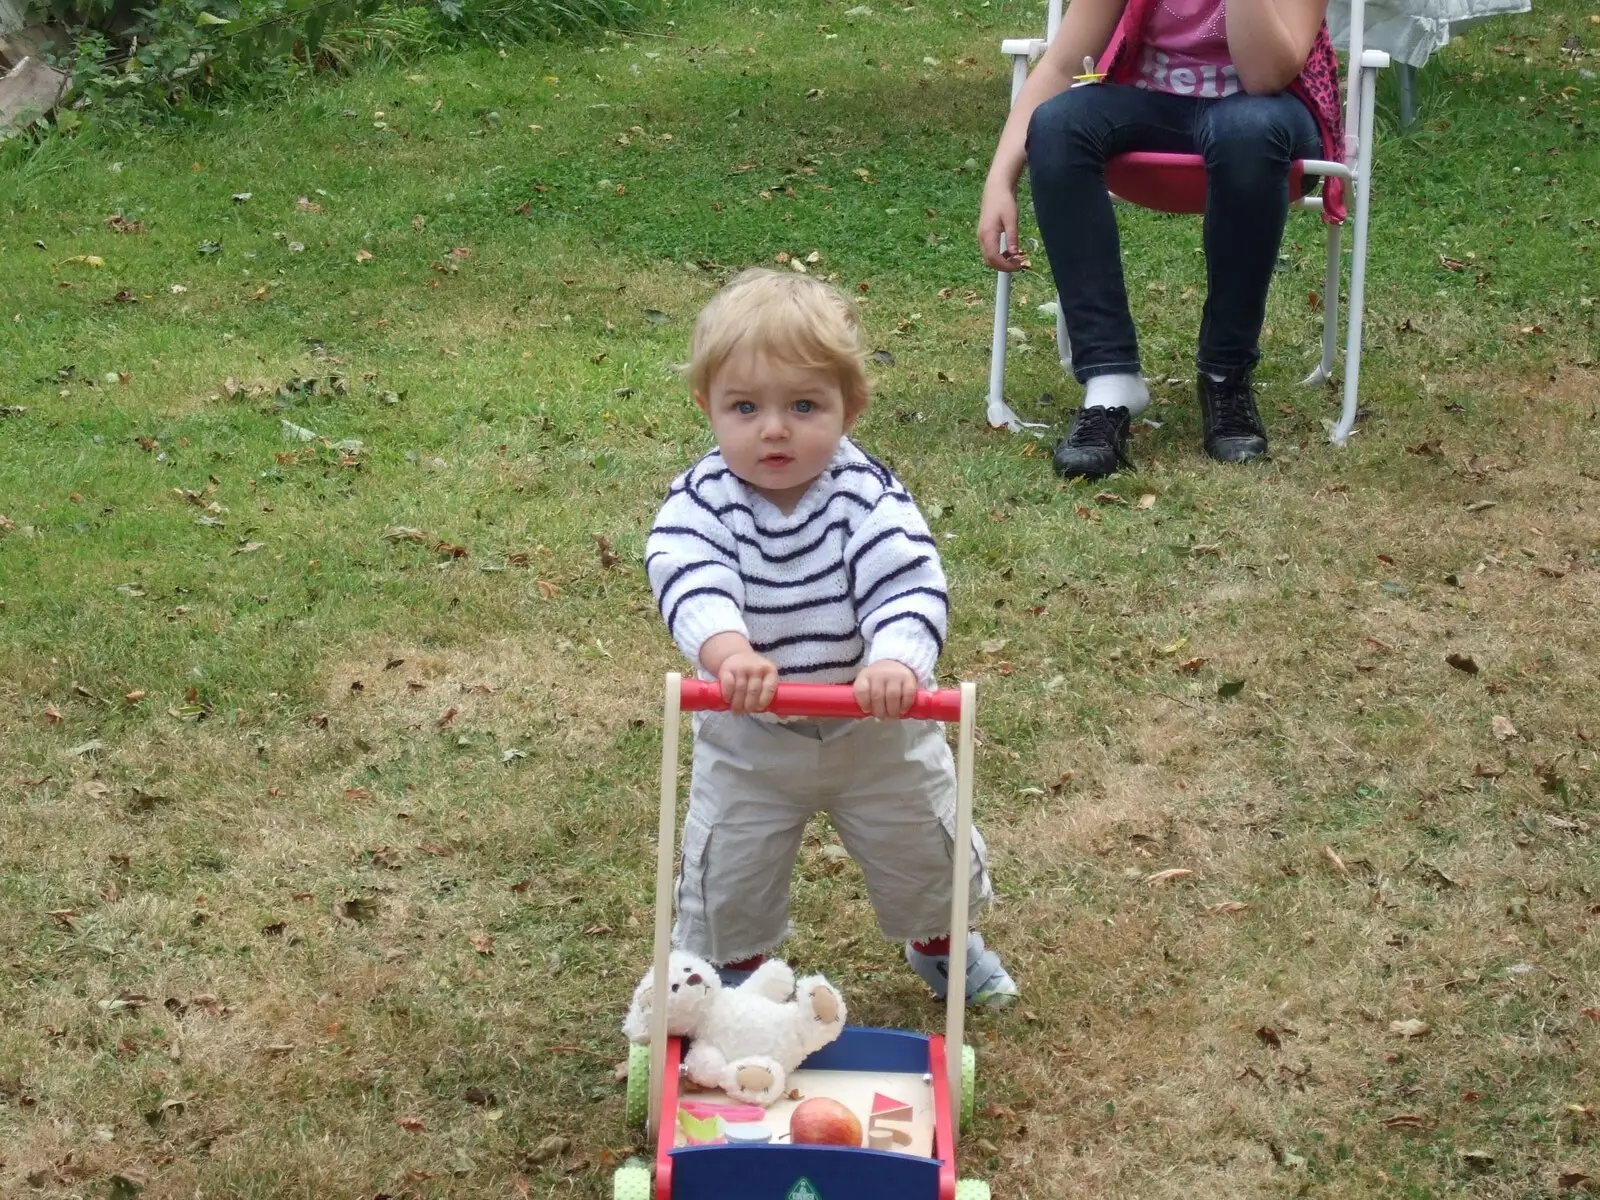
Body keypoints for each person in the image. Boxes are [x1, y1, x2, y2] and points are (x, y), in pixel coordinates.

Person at [645, 268, 1018, 1008]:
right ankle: (738, 975)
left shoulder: (865, 496)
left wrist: (895, 662)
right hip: (753, 728)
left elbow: (908, 583)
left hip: (876, 724)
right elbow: (688, 577)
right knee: (730, 864)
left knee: (920, 845)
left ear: (851, 409)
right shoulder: (702, 502)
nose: (773, 428)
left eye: (804, 405)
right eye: (745, 407)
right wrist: (728, 653)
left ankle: (942, 946)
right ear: (707, 408)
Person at [979, 0, 1346, 478]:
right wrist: (999, 180)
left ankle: (1225, 372)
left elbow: (1264, 77)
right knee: (1057, 125)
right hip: (1156, 108)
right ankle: (1111, 381)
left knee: (1245, 128)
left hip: (1269, 116)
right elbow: (1065, 65)